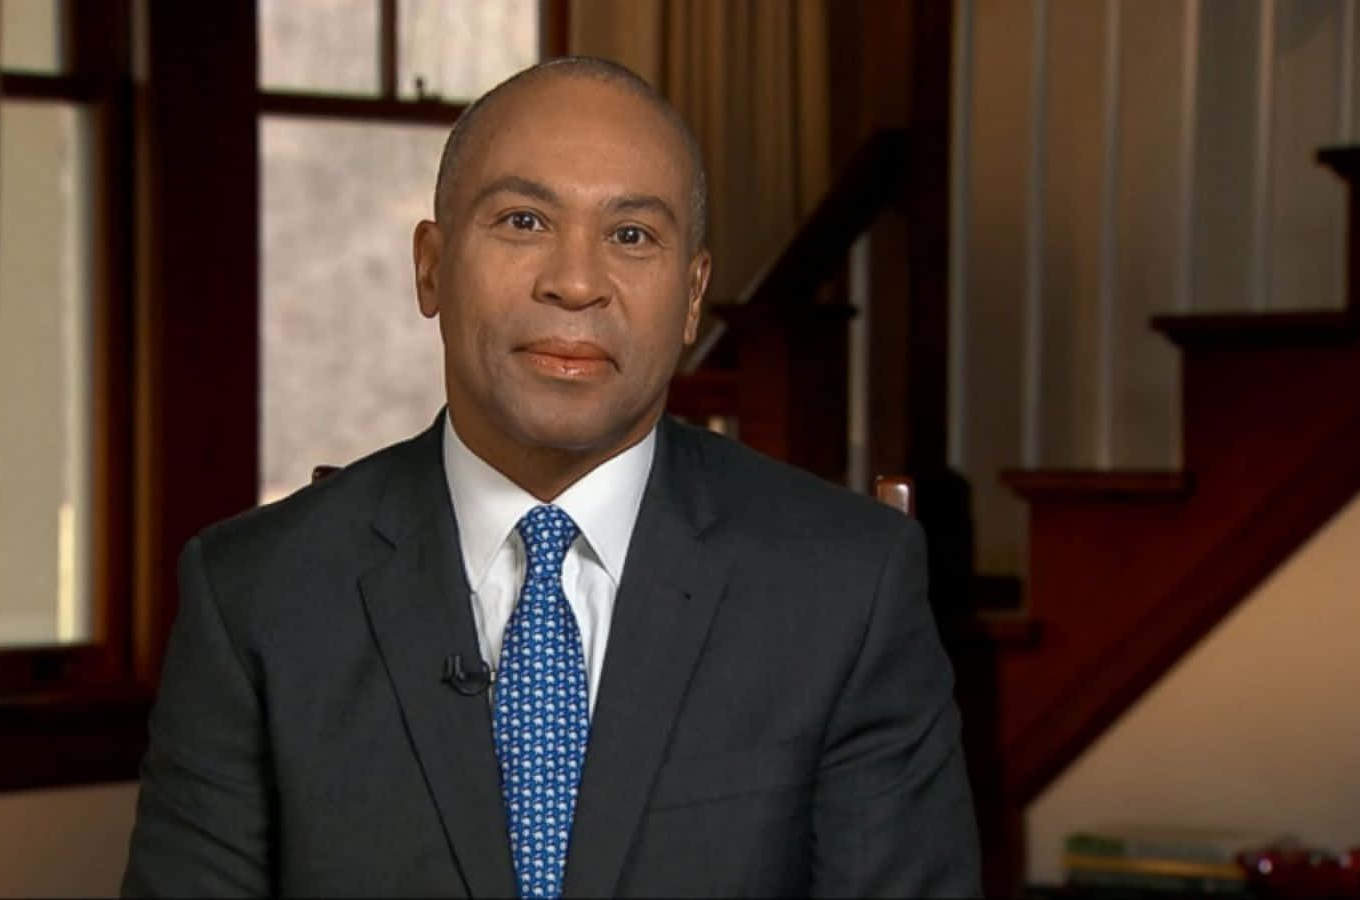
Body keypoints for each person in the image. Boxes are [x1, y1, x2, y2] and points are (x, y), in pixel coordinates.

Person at [121, 56, 979, 898]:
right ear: (431, 265)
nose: (575, 283)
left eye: (632, 236)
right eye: (524, 221)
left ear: (691, 297)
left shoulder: (848, 586)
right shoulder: (256, 595)